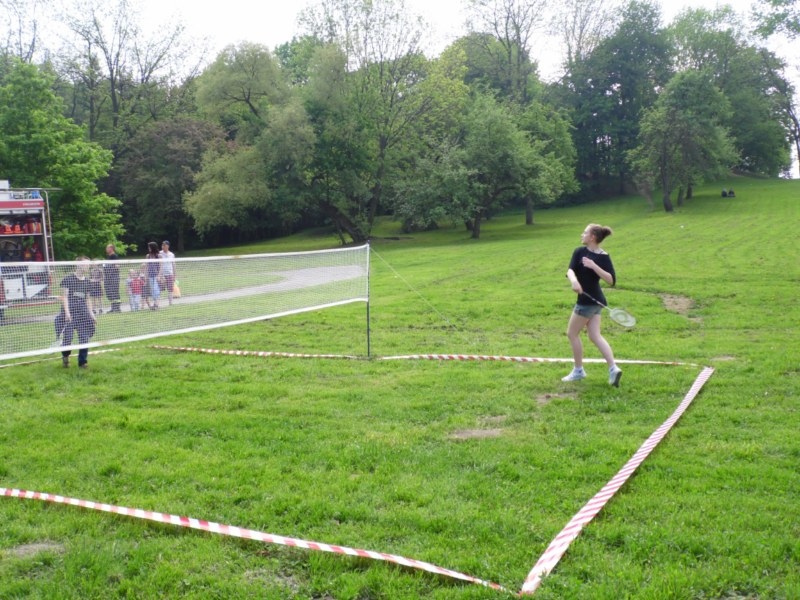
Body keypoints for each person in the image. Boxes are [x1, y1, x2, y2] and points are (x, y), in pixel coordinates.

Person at [561, 223, 623, 387]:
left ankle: (578, 370)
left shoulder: (603, 257)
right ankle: (613, 368)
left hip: (588, 301)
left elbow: (611, 280)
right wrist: (574, 282)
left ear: (592, 237)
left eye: (585, 233)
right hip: (595, 301)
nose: (582, 235)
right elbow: (570, 270)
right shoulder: (579, 251)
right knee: (594, 335)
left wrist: (594, 266)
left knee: (572, 333)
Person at [55, 256, 96, 368]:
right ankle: (65, 356)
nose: (87, 266)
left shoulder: (87, 281)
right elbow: (65, 297)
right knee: (67, 339)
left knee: (84, 338)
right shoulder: (68, 279)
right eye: (85, 264)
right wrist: (67, 313)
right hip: (69, 313)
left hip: (82, 313)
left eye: (89, 265)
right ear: (78, 264)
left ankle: (82, 362)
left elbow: (88, 298)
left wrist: (91, 314)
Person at [103, 244, 122, 313]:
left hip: (113, 278)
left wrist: (109, 269)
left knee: (114, 292)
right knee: (110, 292)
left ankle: (117, 308)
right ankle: (113, 308)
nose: (106, 249)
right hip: (108, 278)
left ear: (111, 248)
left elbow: (117, 266)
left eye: (107, 248)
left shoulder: (114, 256)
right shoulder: (109, 256)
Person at [159, 240, 177, 306]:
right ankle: (158, 303)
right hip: (162, 274)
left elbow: (173, 264)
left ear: (168, 246)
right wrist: (160, 275)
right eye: (162, 245)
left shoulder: (171, 254)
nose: (163, 246)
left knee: (170, 289)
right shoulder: (159, 253)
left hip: (170, 273)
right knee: (160, 289)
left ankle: (170, 303)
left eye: (164, 245)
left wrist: (174, 275)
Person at [144, 241, 161, 310]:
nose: (149, 248)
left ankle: (156, 304)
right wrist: (145, 276)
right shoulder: (148, 256)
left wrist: (159, 275)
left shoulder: (158, 256)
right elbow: (146, 266)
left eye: (149, 247)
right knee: (153, 290)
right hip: (150, 275)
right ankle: (155, 304)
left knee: (156, 289)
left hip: (156, 275)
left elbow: (161, 266)